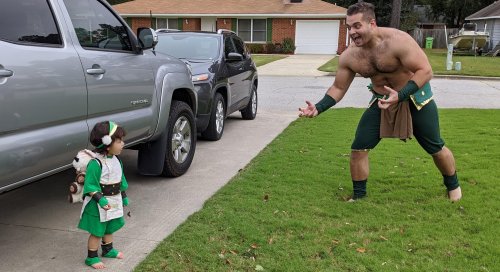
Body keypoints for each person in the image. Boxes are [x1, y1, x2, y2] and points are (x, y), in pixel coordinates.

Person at [298, 2, 462, 202]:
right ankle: (359, 197)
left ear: (372, 24)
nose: (352, 32)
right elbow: (339, 88)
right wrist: (319, 107)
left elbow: (425, 71)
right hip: (382, 100)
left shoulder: (398, 41)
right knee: (359, 147)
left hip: (415, 97)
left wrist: (401, 95)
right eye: (348, 27)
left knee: (435, 147)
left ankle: (454, 188)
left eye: (357, 26)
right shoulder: (350, 55)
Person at [78, 121, 129, 269]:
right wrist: (100, 200)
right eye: (119, 141)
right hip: (97, 203)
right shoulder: (95, 163)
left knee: (110, 226)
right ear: (107, 144)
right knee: (97, 230)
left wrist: (123, 196)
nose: (123, 144)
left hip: (114, 199)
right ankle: (91, 257)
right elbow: (90, 186)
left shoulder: (117, 160)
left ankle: (108, 250)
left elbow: (120, 180)